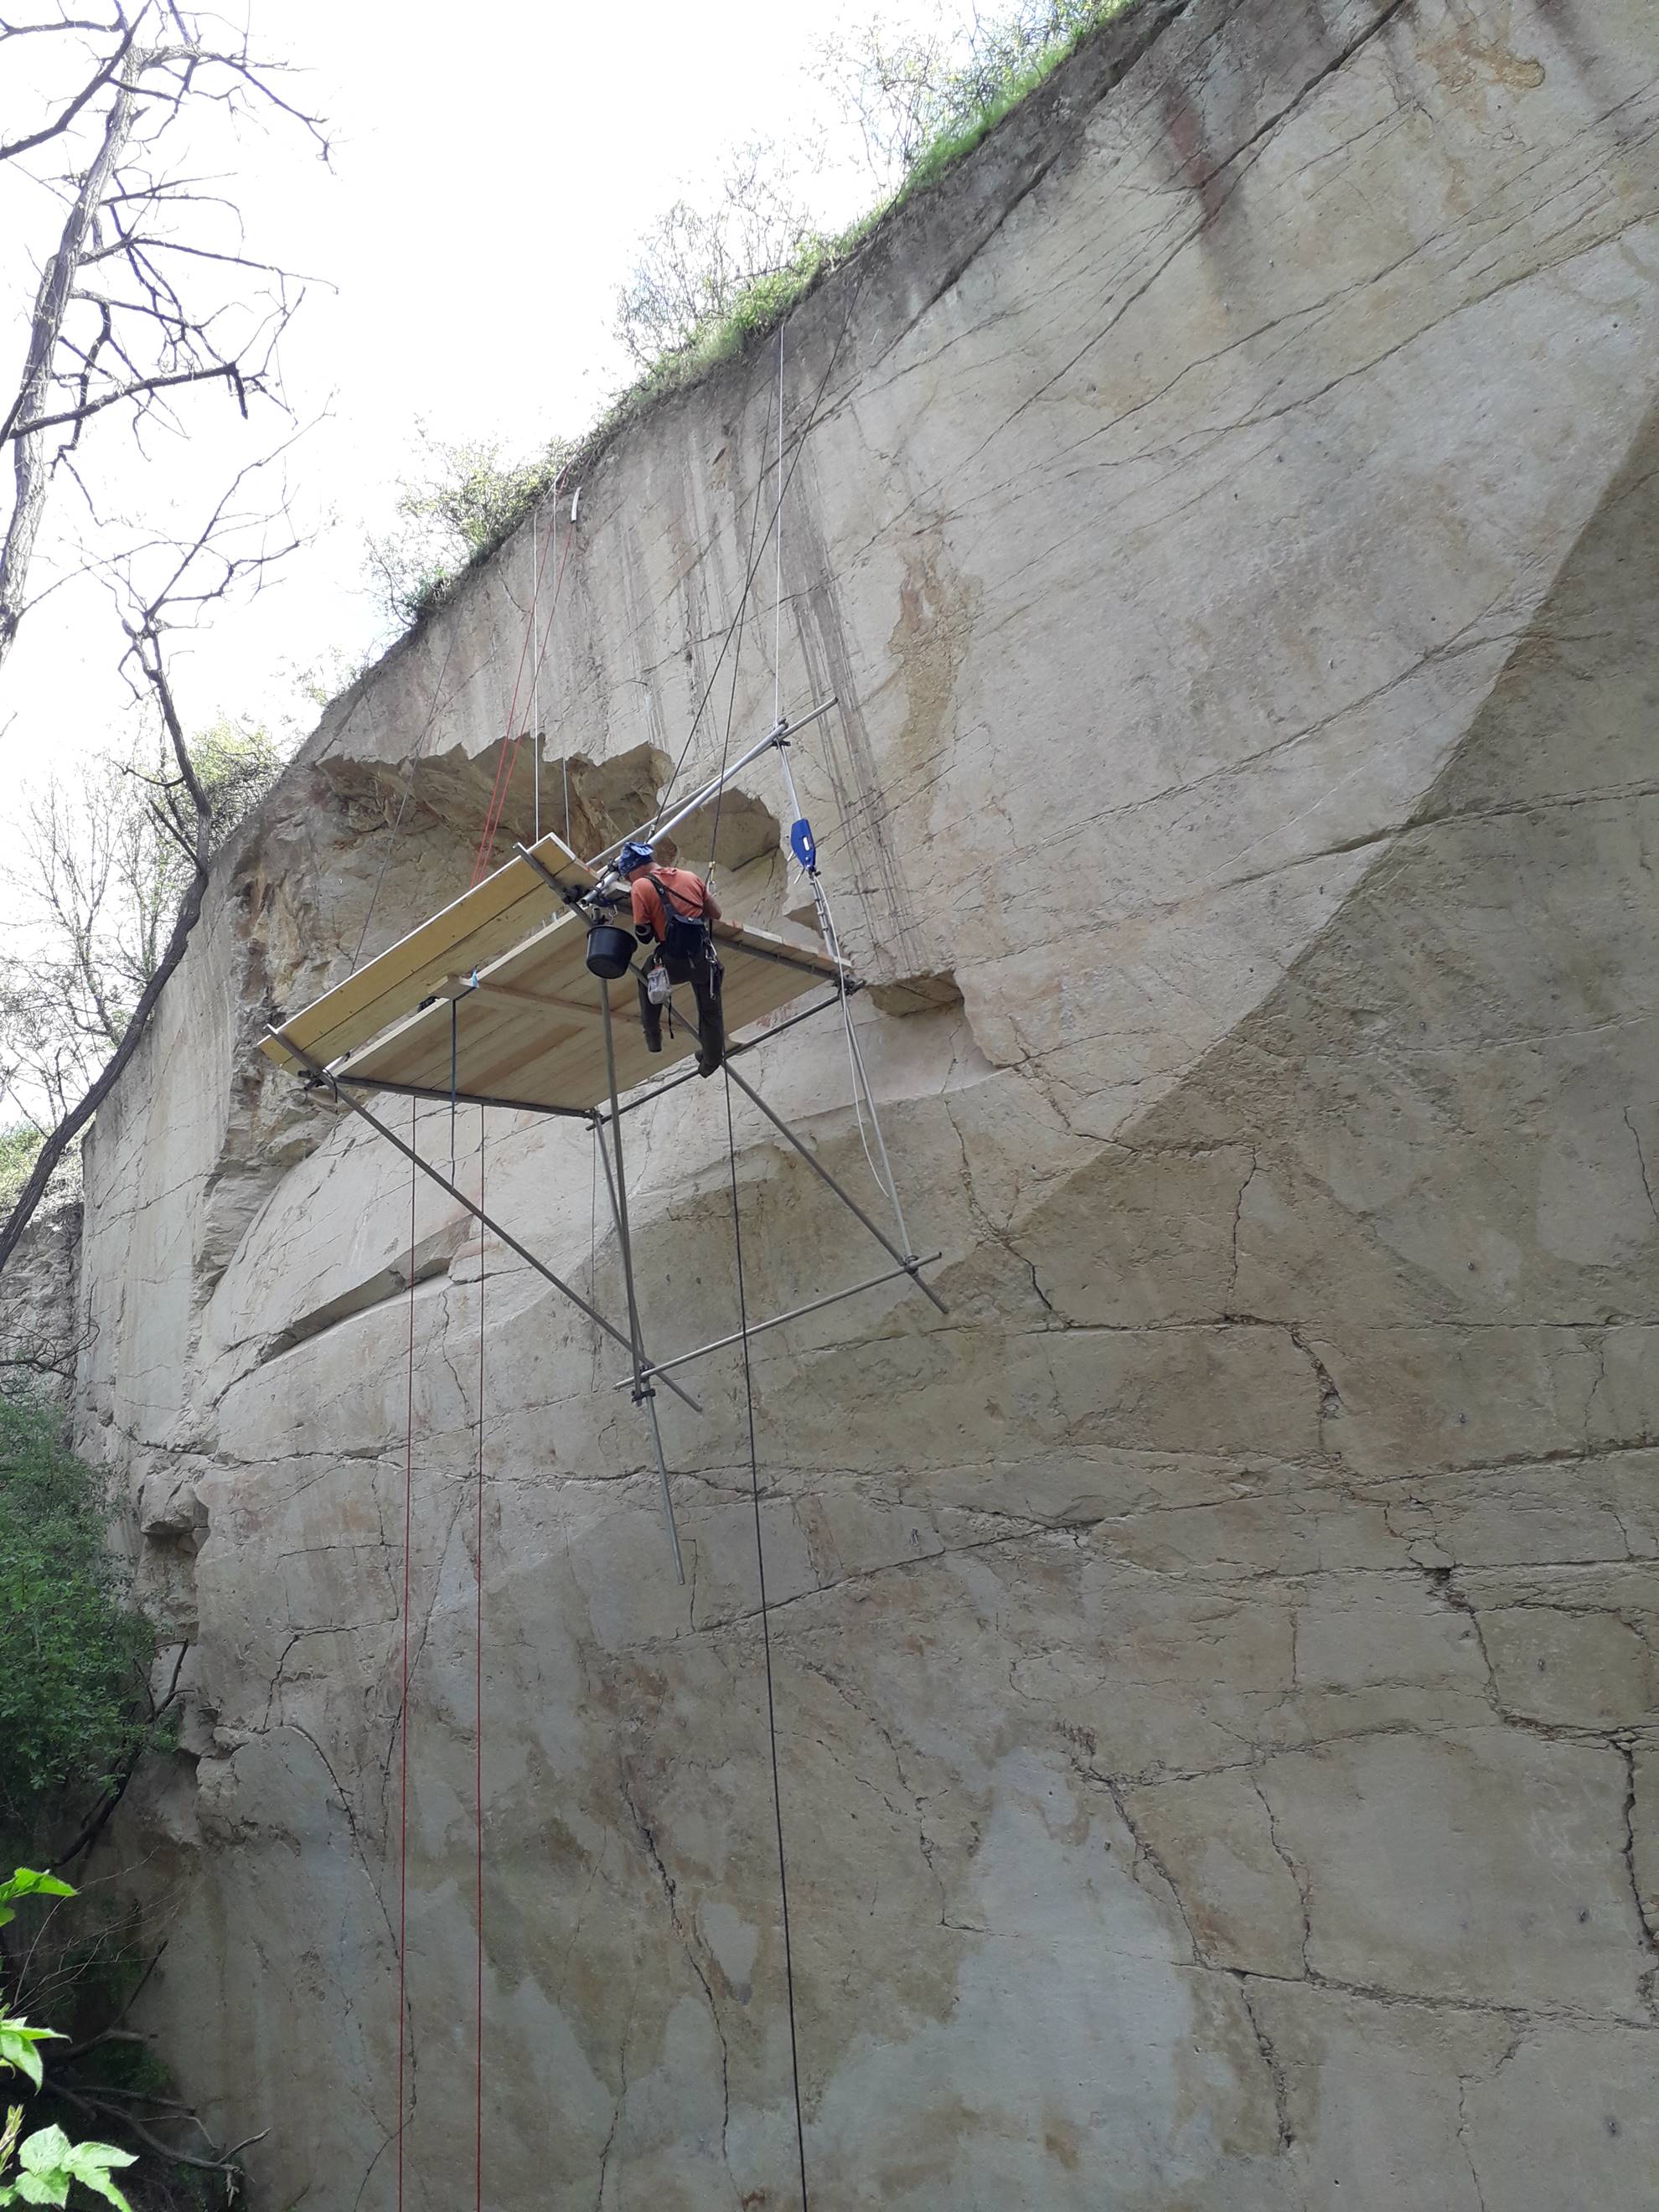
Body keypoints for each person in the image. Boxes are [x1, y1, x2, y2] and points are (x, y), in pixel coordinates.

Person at [615, 839, 726, 1076]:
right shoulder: (690, 877)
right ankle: (710, 1062)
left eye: (627, 876)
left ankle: (653, 1037)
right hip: (703, 958)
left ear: (635, 868)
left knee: (645, 975)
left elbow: (643, 934)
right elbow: (715, 913)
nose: (628, 881)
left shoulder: (641, 887)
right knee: (711, 1011)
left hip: (673, 962)